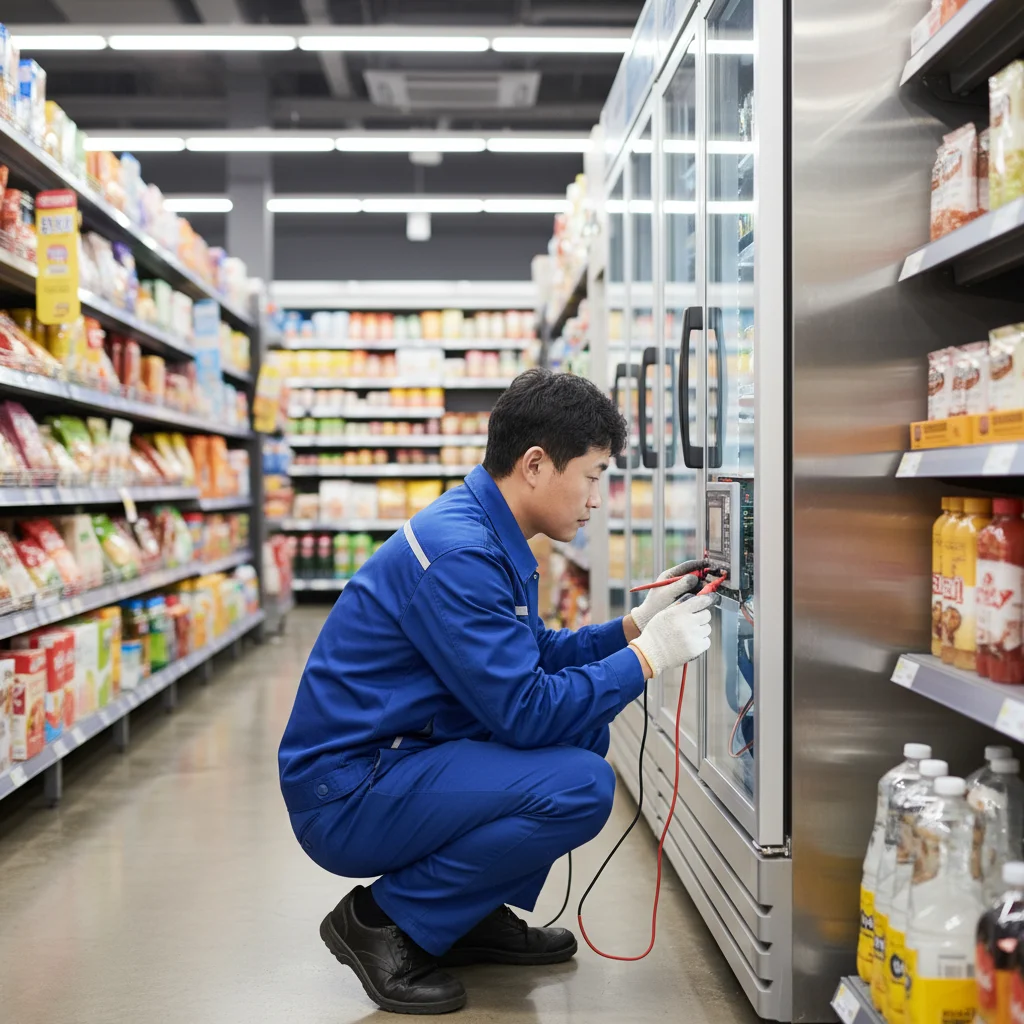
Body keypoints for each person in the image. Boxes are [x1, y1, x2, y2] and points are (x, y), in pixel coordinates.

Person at [278, 368, 714, 1015]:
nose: (598, 499)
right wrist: (648, 660)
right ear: (536, 464)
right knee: (581, 784)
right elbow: (526, 712)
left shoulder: (487, 531)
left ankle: (463, 915)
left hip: (393, 757)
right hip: (346, 789)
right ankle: (380, 922)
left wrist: (632, 628)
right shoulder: (463, 553)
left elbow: (530, 658)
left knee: (586, 731)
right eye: (593, 476)